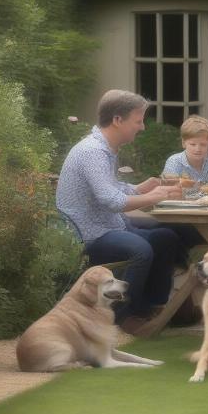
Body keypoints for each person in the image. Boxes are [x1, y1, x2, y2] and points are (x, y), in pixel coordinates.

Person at [56, 89, 183, 333]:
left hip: (107, 225)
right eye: (138, 120)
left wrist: (138, 188)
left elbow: (110, 188)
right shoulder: (92, 152)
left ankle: (146, 308)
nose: (142, 127)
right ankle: (115, 319)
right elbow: (111, 200)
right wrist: (155, 196)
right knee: (141, 250)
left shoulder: (104, 149)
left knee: (166, 237)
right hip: (87, 232)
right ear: (117, 120)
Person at [162, 115, 208, 184]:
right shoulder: (174, 162)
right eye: (193, 144)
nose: (198, 149)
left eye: (203, 145)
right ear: (183, 143)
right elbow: (167, 186)